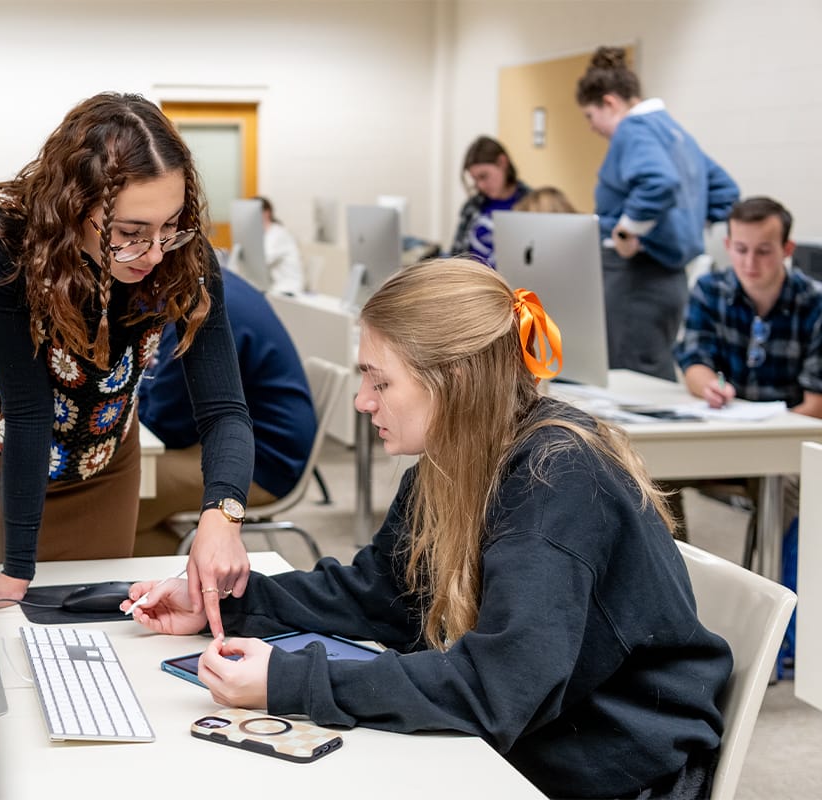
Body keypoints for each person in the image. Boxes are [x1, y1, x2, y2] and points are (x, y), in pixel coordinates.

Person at [127, 259, 732, 800]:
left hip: (612, 762)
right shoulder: (455, 456)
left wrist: (289, 680)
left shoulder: (556, 481)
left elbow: (498, 690)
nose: (363, 401)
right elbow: (378, 593)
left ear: (457, 379)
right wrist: (227, 602)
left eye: (380, 380)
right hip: (541, 730)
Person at [0, 92, 255, 636]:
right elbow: (28, 406)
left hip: (104, 466)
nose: (155, 253)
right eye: (128, 234)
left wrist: (223, 513)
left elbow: (224, 409)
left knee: (89, 639)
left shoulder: (179, 257)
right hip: (0, 469)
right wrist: (16, 568)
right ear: (74, 208)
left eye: (171, 226)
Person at [576, 46, 739, 380]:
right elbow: (725, 191)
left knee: (631, 383)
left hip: (636, 277)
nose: (592, 128)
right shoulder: (675, 133)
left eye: (590, 116)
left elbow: (659, 182)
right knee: (649, 373)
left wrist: (627, 231)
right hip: (669, 280)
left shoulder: (633, 131)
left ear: (610, 102)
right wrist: (687, 221)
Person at [135, 269, 317, 554]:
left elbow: (167, 426)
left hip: (263, 463)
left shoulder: (200, 304)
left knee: (115, 498)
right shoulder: (208, 280)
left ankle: (201, 577)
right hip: (254, 445)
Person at [669, 195, 820, 538]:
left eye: (764, 251)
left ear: (787, 248)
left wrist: (765, 435)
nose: (750, 262)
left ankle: (783, 588)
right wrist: (710, 384)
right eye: (740, 249)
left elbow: (816, 405)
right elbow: (694, 360)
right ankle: (674, 581)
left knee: (790, 489)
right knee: (649, 478)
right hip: (719, 433)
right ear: (727, 245)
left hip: (787, 442)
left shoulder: (815, 304)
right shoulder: (710, 290)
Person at [450, 136, 531, 267]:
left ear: (502, 162)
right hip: (471, 282)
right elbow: (456, 254)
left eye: (484, 176)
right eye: (475, 180)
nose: (480, 186)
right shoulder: (472, 207)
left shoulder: (532, 204)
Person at [257, 196, 305, 294]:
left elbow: (262, 261)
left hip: (288, 288)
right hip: (274, 286)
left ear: (266, 213)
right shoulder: (263, 234)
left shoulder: (278, 233)